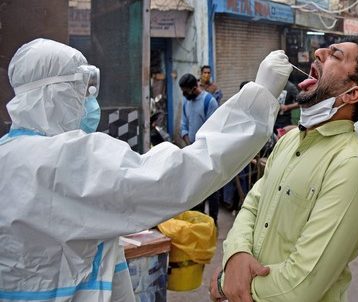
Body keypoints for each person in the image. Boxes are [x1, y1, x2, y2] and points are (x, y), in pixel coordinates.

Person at [0, 38, 292, 300]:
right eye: (81, 92)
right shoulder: (62, 161)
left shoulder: (8, 154)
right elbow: (175, 175)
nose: (90, 102)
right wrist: (259, 100)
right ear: (54, 94)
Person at [210, 36, 358, 302]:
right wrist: (236, 254)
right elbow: (252, 206)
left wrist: (229, 284)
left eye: (335, 55)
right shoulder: (289, 140)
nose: (318, 53)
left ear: (352, 94)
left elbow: (302, 285)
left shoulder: (352, 166)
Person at [179, 73, 220, 223]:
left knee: (211, 189)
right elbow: (184, 125)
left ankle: (213, 222)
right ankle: (199, 222)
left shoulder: (209, 102)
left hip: (208, 153)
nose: (184, 94)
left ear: (194, 87)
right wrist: (188, 144)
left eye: (186, 91)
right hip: (193, 152)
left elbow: (213, 129)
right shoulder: (186, 102)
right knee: (196, 188)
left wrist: (200, 148)